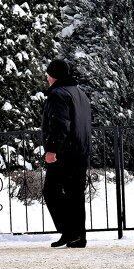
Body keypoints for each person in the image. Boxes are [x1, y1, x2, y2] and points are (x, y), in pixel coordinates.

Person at [41, 58, 92, 249]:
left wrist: (52, 149)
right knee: (75, 194)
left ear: (54, 76)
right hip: (81, 151)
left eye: (48, 75)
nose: (47, 78)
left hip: (65, 153)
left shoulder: (58, 95)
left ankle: (70, 231)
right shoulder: (80, 94)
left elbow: (60, 123)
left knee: (51, 191)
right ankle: (77, 235)